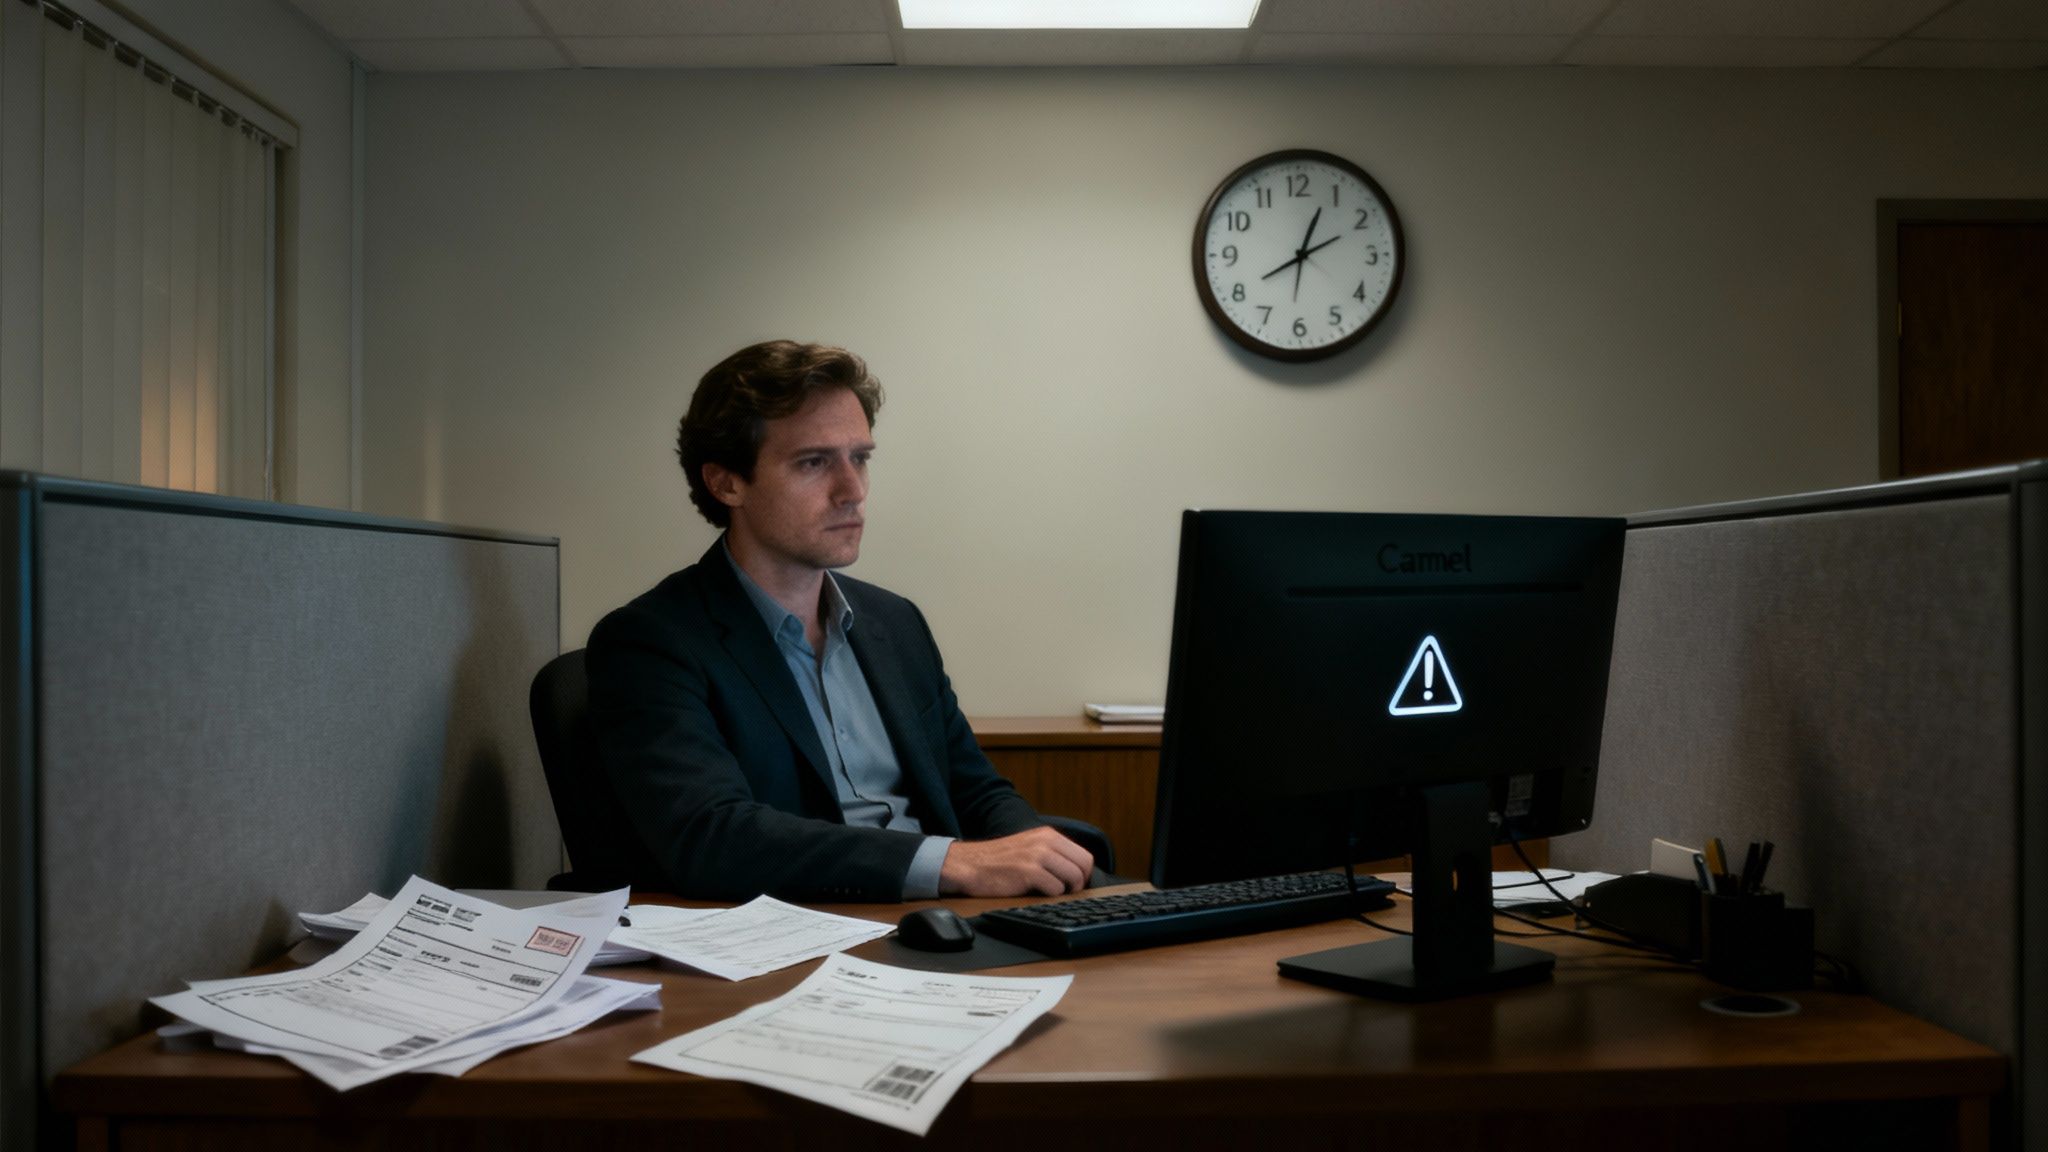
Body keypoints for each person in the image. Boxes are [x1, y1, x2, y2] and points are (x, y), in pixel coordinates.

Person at [586, 340, 1095, 902]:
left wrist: (1038, 855)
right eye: (814, 462)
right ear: (726, 482)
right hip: (804, 932)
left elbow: (974, 791)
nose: (851, 492)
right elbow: (714, 836)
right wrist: (950, 863)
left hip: (945, 919)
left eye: (860, 458)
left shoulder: (895, 623)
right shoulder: (651, 642)